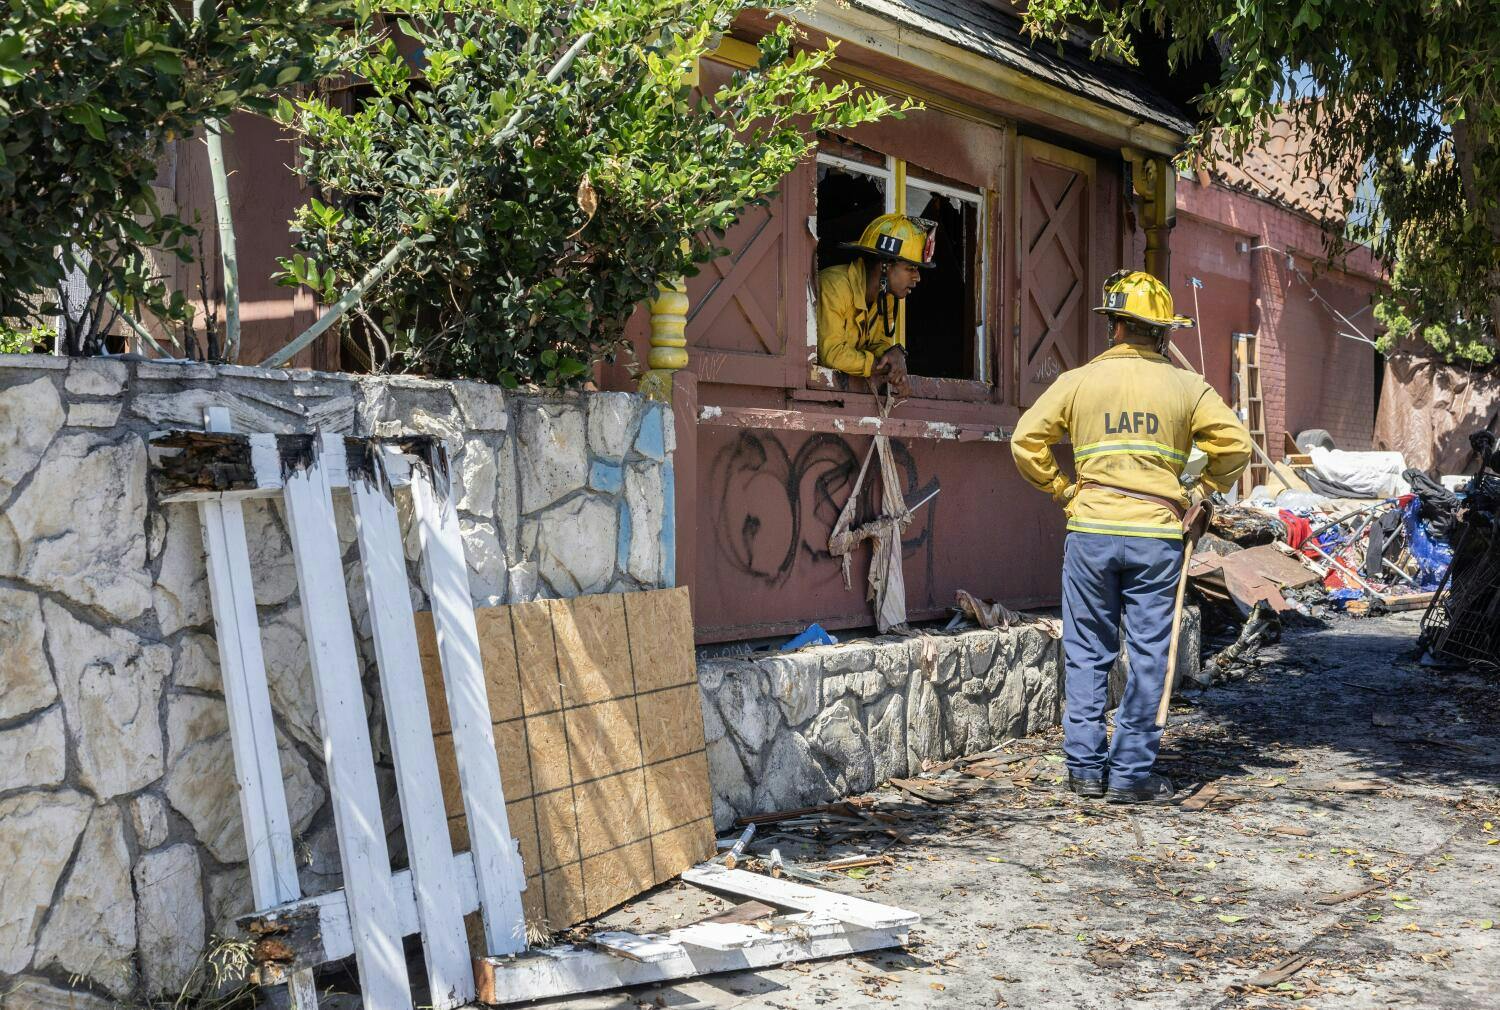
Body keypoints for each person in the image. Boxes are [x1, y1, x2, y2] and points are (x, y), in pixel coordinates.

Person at [1010, 270, 1252, 804]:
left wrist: (1063, 491)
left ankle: (1084, 771)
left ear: (1115, 326)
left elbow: (1026, 440)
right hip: (1156, 537)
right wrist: (1202, 490)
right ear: (1161, 333)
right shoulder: (1187, 387)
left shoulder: (1078, 381)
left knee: (1087, 652)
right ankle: (1131, 775)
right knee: (1148, 656)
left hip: (1090, 532)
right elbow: (1236, 445)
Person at [816, 213, 937, 398]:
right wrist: (883, 366)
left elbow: (877, 343)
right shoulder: (835, 286)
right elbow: (832, 354)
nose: (917, 277)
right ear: (885, 266)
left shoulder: (885, 297)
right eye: (910, 268)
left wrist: (894, 354)